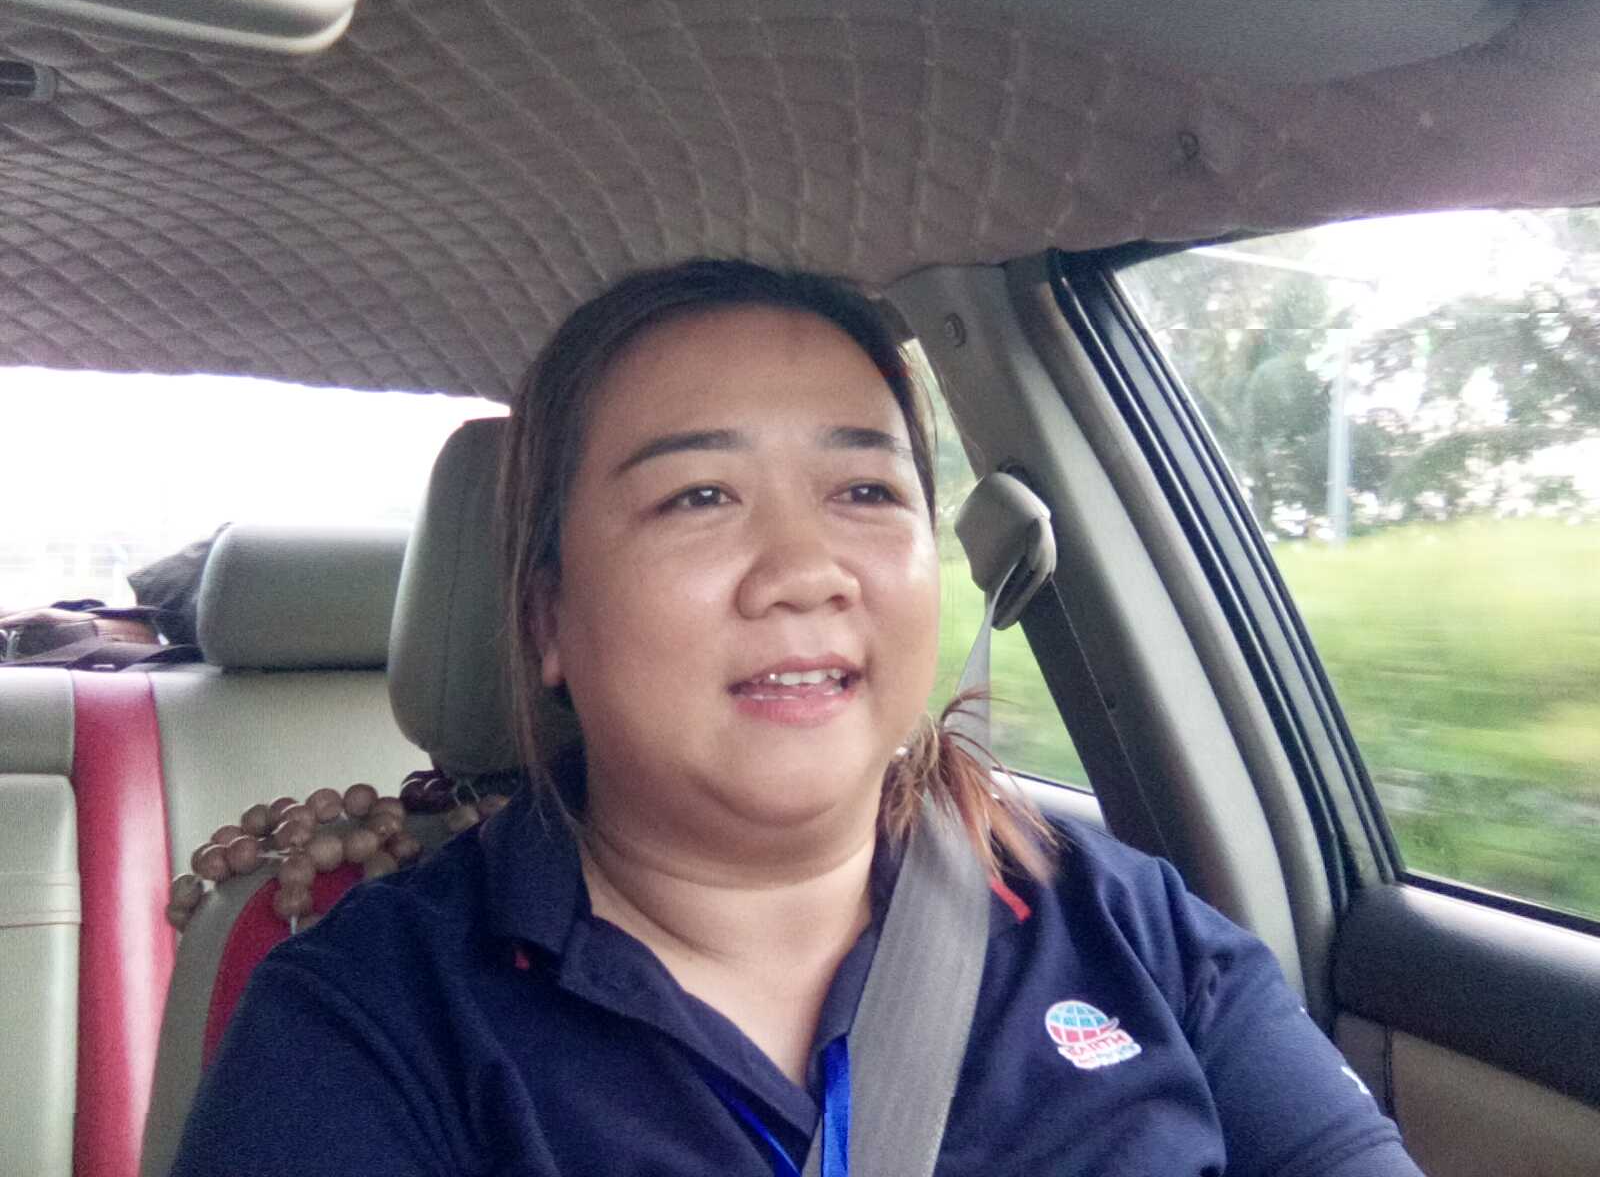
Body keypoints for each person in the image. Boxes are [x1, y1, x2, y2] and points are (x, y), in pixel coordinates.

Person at [171, 259, 1424, 1175]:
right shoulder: (369, 1024)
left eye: (866, 490)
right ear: (548, 617)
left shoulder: (1129, 930)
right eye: (699, 496)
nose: (804, 571)